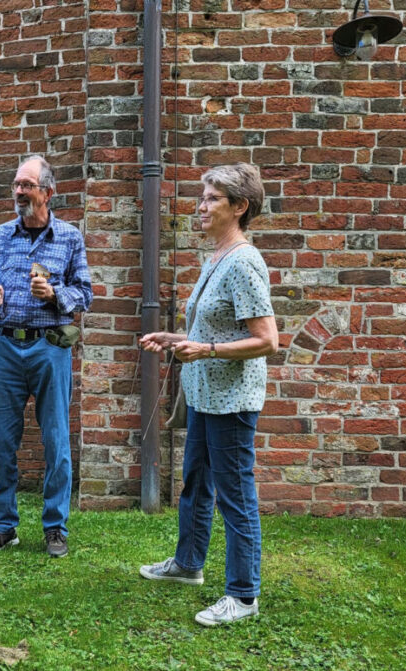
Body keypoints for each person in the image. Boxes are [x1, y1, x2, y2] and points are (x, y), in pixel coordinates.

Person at [138, 163, 279, 626]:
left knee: (235, 496)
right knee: (196, 483)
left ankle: (242, 595)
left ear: (240, 207)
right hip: (202, 394)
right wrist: (178, 339)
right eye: (202, 197)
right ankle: (188, 564)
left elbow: (267, 340)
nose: (200, 206)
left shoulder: (243, 261)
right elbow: (209, 328)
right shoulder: (216, 257)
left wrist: (208, 348)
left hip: (231, 401)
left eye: (212, 198)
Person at [0, 155, 93, 559]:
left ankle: (55, 526)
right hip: (5, 346)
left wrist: (57, 294)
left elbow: (86, 293)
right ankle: (3, 526)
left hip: (50, 347)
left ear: (48, 192)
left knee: (55, 439)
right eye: (16, 185)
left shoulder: (70, 238)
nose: (19, 192)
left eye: (27, 185)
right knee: (3, 441)